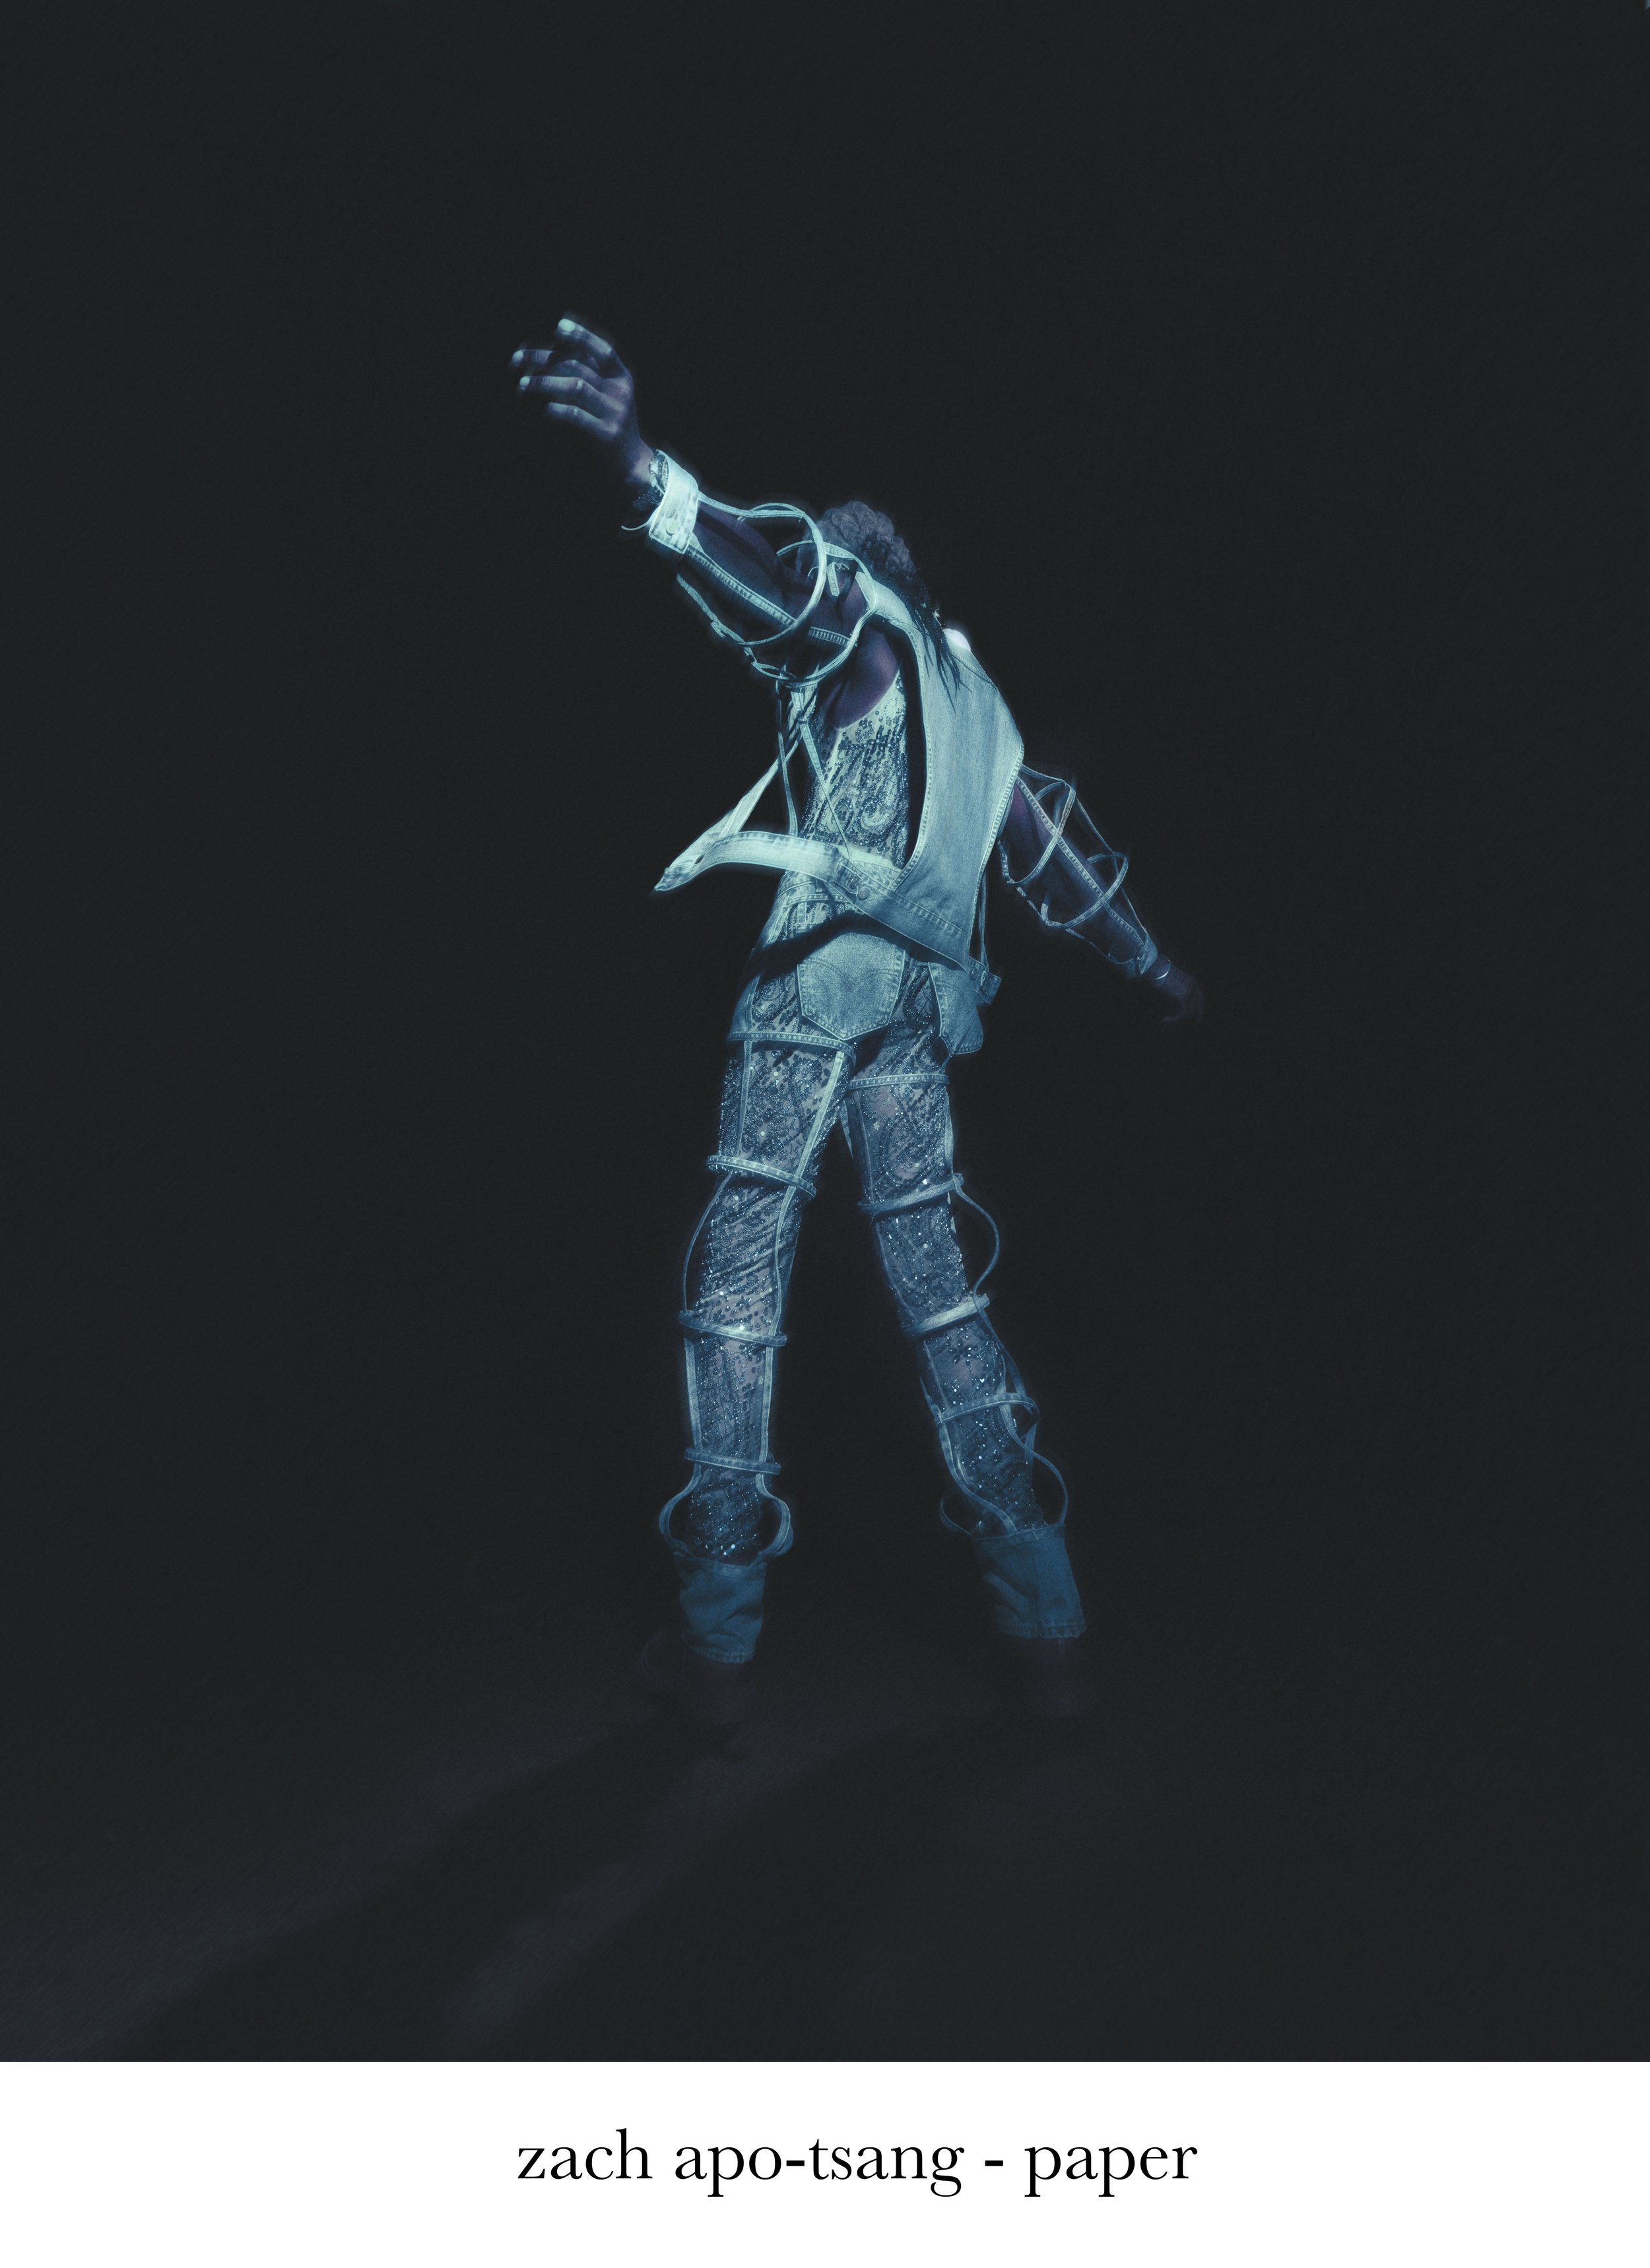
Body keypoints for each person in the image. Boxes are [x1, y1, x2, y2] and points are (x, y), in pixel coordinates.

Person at [513, 317, 1203, 1722]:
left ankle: (716, 1643)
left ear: (869, 568)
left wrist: (642, 471)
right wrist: (1155, 969)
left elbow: (779, 593)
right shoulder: (981, 703)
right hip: (916, 1008)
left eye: (835, 551)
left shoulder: (867, 626)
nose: (820, 563)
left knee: (737, 1292)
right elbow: (1054, 863)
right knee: (940, 1303)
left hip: (819, 982)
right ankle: (1047, 1633)